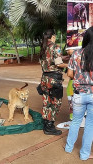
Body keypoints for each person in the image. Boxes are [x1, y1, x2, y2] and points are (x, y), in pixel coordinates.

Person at [65, 27, 93, 160]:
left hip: (78, 94)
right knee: (90, 125)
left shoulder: (76, 54)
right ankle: (84, 155)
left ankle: (68, 147)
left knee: (76, 121)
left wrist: (79, 77)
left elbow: (70, 74)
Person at [39, 29, 68, 135]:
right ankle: (50, 126)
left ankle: (46, 124)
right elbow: (59, 64)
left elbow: (51, 60)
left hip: (45, 78)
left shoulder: (43, 47)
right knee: (56, 102)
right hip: (54, 79)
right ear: (53, 36)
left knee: (46, 101)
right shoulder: (55, 47)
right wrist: (69, 65)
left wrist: (63, 57)